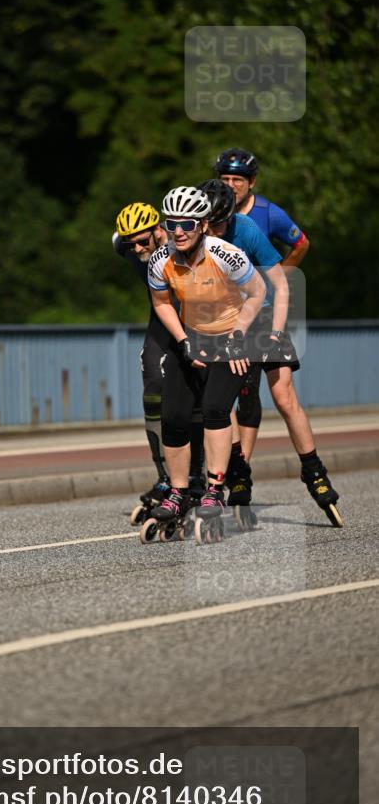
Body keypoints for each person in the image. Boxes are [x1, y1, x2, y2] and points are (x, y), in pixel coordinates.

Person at [199, 179, 342, 525]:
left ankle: (314, 470)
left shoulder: (246, 230)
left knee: (284, 395)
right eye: (208, 223)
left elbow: (279, 285)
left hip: (262, 317)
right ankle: (239, 469)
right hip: (226, 323)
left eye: (219, 224)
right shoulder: (197, 236)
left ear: (230, 217)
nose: (213, 230)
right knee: (223, 399)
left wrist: (277, 334)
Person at [146, 186, 266, 526]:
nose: (178, 231)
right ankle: (179, 492)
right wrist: (183, 339)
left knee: (214, 408)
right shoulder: (161, 260)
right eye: (171, 224)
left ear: (201, 224)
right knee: (173, 416)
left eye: (186, 223)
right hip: (192, 336)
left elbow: (258, 293)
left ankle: (215, 488)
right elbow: (161, 303)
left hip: (233, 337)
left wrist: (239, 335)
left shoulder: (226, 254)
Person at [214, 147, 309, 458]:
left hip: (262, 311)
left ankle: (243, 465)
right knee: (224, 392)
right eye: (225, 178)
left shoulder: (268, 214)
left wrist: (278, 274)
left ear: (251, 181)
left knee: (253, 394)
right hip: (224, 313)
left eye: (237, 180)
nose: (230, 185)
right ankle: (230, 466)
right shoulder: (211, 211)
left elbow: (301, 242)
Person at [113, 203, 206, 516]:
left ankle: (196, 476)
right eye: (131, 244)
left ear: (159, 230)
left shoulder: (180, 242)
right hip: (162, 316)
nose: (137, 248)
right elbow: (120, 240)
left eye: (143, 241)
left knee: (193, 397)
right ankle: (165, 477)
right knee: (153, 391)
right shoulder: (124, 245)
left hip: (196, 319)